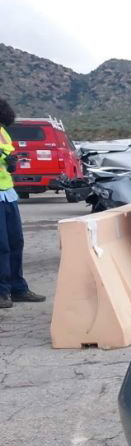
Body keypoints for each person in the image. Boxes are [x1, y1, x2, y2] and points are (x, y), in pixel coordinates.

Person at [0, 98, 45, 309]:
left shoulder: (3, 132)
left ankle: (18, 288)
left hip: (7, 193)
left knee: (16, 242)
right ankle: (2, 291)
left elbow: (8, 155)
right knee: (1, 246)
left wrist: (12, 162)